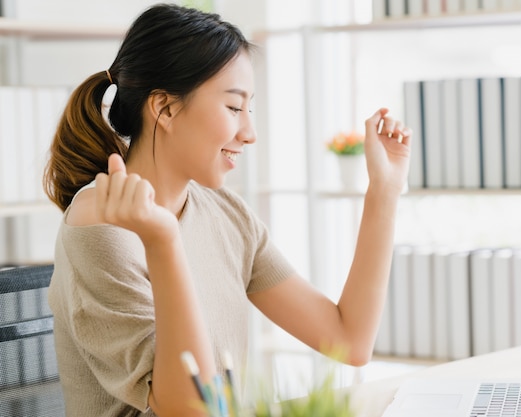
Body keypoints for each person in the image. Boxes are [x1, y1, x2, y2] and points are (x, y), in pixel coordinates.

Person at [43, 3, 411, 417]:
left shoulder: (225, 214)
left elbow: (348, 341)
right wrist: (162, 240)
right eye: (234, 108)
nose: (249, 133)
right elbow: (191, 410)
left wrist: (384, 189)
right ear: (164, 108)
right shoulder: (101, 226)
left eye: (248, 108)